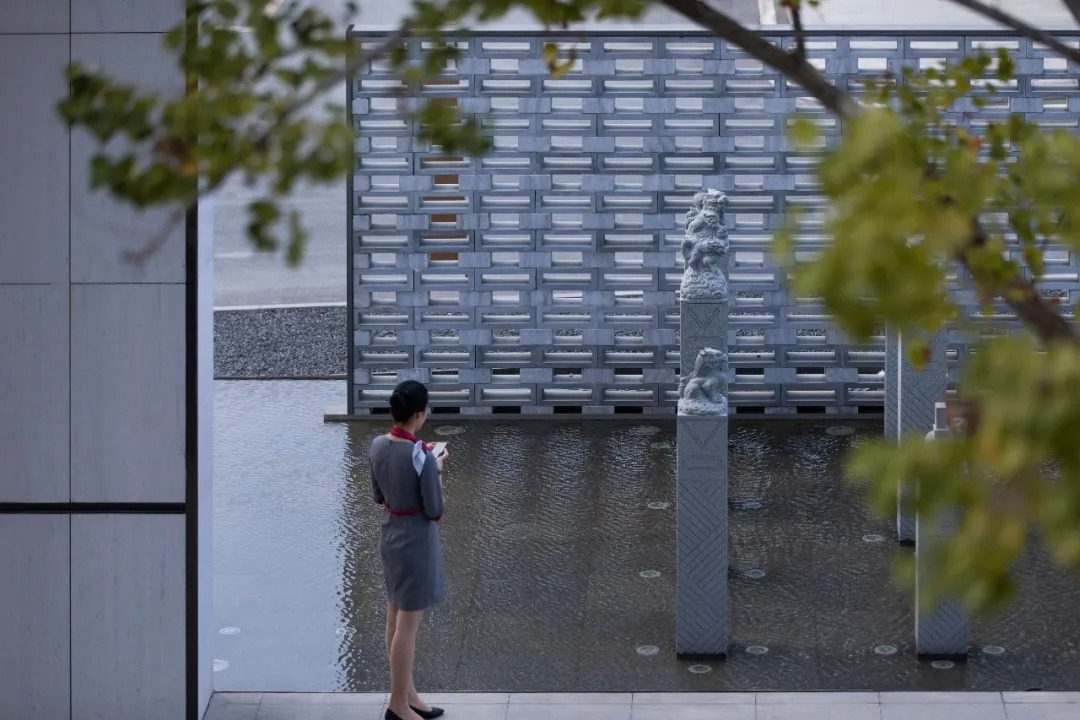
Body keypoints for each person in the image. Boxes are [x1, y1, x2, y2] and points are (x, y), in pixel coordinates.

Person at [369, 380, 449, 720]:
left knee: (394, 616)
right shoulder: (422, 458)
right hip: (416, 541)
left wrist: (424, 458)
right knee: (408, 626)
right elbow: (435, 510)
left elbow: (378, 496)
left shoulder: (375, 445)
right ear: (419, 414)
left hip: (390, 535)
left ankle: (407, 695)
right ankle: (398, 705)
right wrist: (437, 468)